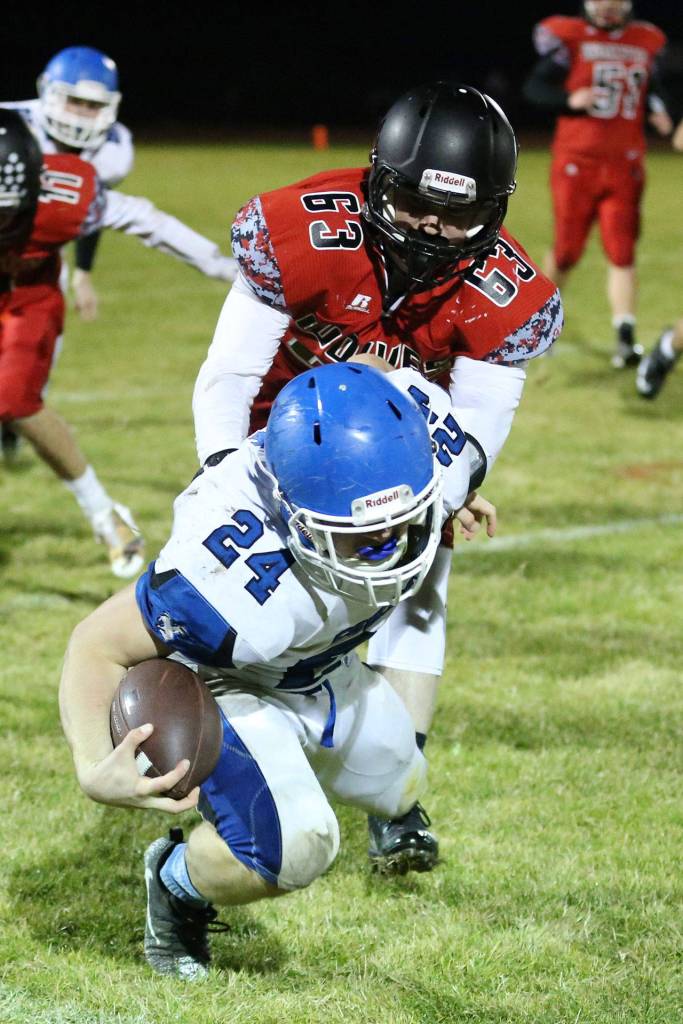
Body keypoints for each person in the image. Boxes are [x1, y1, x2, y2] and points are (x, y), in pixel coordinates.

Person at [191, 81, 563, 874]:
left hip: (399, 448)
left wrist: (435, 498)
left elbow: (472, 433)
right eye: (416, 203)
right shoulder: (302, 230)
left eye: (458, 215)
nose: (431, 229)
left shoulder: (508, 294)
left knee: (420, 584)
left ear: (494, 209)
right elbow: (229, 377)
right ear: (377, 179)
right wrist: (223, 477)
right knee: (231, 610)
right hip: (272, 435)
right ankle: (228, 759)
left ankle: (398, 794)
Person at [59, 360, 490, 980]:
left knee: (400, 780)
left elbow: (371, 382)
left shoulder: (426, 445)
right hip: (232, 682)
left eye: (406, 518)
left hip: (321, 665)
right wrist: (92, 767)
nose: (392, 545)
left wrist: (452, 496)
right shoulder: (224, 572)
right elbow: (96, 642)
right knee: (298, 846)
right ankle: (176, 883)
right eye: (366, 536)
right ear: (292, 515)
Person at [0, 110, 236, 577]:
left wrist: (223, 268)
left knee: (14, 399)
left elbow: (147, 221)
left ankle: (104, 516)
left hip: (28, 295)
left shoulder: (67, 197)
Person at [523, 1, 673, 368]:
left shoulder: (645, 40)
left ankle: (625, 337)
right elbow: (534, 87)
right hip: (578, 163)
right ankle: (537, 325)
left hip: (625, 164)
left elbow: (651, 86)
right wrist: (568, 99)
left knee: (622, 251)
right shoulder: (572, 38)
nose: (607, 8)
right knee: (566, 252)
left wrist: (658, 109)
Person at [2, 45, 134, 322]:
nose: (81, 115)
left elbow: (87, 207)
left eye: (93, 106)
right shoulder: (9, 125)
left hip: (39, 265)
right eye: (74, 101)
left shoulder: (110, 150)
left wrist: (83, 272)